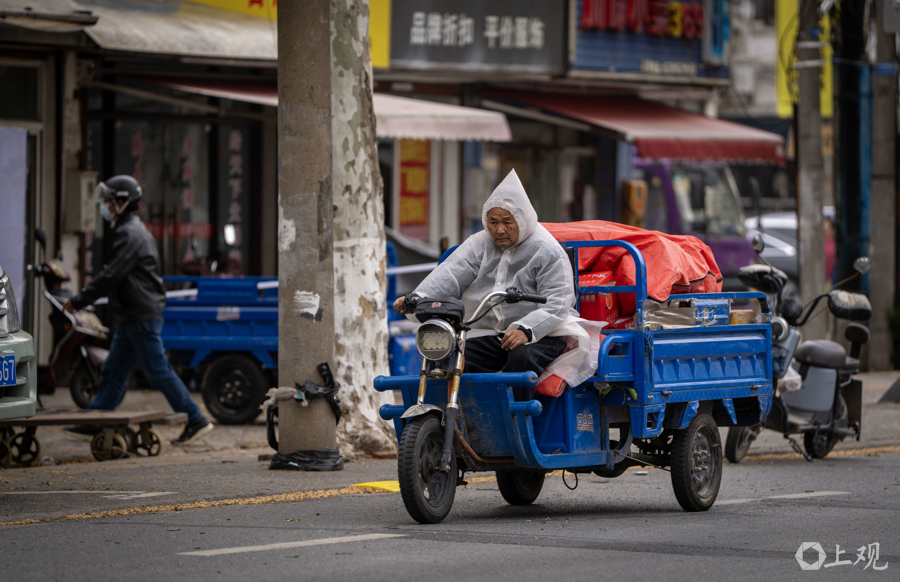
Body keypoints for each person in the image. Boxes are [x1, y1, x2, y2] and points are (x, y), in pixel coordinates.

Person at [393, 170, 597, 400]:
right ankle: (459, 415)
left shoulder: (547, 250)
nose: (499, 230)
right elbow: (450, 274)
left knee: (521, 358)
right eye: (493, 222)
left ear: (523, 220)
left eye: (507, 222)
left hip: (543, 333)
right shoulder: (479, 243)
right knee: (451, 356)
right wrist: (417, 298)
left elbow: (558, 303)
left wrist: (526, 329)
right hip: (489, 332)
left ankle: (517, 415)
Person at [63, 175, 213, 445]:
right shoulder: (130, 229)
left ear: (122, 202)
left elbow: (111, 275)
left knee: (157, 371)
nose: (104, 206)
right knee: (113, 370)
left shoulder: (130, 233)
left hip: (140, 315)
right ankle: (96, 420)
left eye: (109, 202)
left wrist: (79, 300)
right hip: (132, 315)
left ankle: (196, 419)